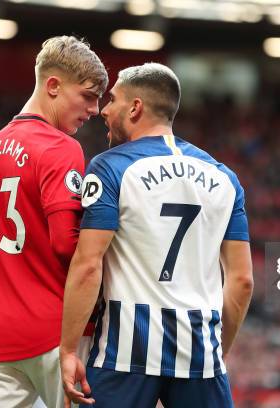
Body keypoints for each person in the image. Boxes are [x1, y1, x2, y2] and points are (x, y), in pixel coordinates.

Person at [59, 62, 254, 408]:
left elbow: (89, 265)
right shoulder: (226, 178)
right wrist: (212, 353)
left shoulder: (110, 167)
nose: (103, 109)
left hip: (123, 355)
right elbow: (242, 281)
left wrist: (69, 349)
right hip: (200, 355)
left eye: (113, 100)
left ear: (135, 108)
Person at [0, 36, 108, 407]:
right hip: (55, 333)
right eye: (88, 96)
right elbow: (67, 243)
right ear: (53, 86)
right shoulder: (59, 146)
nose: (95, 109)